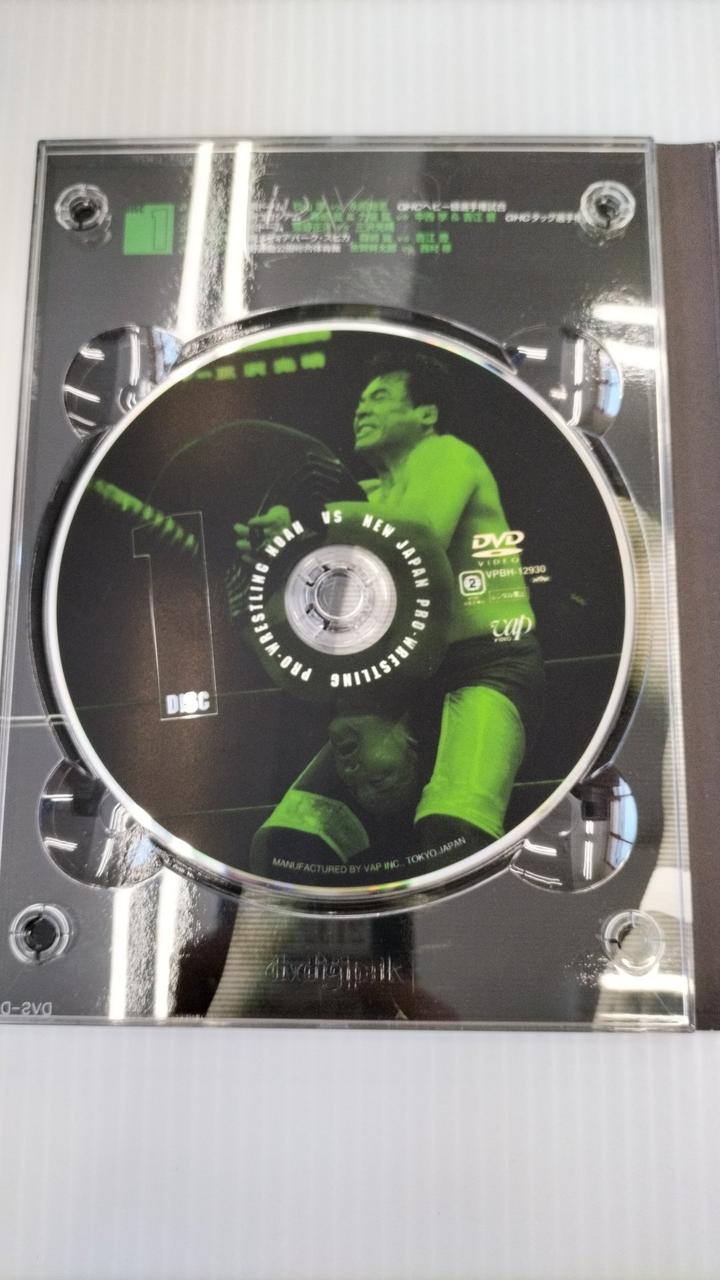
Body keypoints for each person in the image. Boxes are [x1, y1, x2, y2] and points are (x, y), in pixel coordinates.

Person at [234, 353, 545, 878]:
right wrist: (279, 547)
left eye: (379, 397)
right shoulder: (368, 498)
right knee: (290, 840)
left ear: (426, 414)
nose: (361, 410)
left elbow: (418, 537)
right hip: (398, 684)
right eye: (359, 402)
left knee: (455, 831)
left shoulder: (447, 454)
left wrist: (309, 524)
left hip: (486, 666)